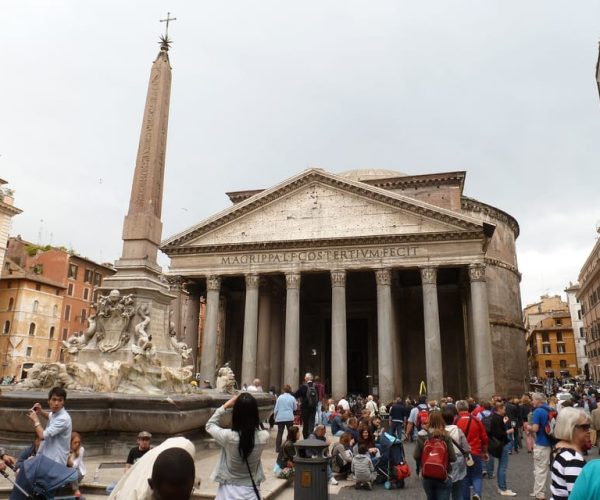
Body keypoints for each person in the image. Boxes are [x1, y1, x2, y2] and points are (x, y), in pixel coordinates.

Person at [206, 393, 270, 499]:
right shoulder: (264, 436)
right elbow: (256, 429)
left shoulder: (228, 437)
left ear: (236, 414)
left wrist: (225, 406)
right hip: (251, 493)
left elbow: (210, 425)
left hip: (227, 493)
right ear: (255, 413)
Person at [413, 410, 456, 500]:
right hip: (443, 474)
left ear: (428, 420)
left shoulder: (421, 435)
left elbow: (416, 456)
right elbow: (453, 458)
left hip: (427, 474)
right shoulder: (446, 436)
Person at [549, 407, 590, 500]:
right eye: (585, 427)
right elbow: (578, 496)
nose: (589, 430)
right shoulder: (573, 459)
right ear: (571, 428)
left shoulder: (558, 448)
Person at [27, 386, 72, 465]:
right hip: (48, 458)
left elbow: (42, 436)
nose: (56, 403)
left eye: (60, 400)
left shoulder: (63, 418)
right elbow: (49, 415)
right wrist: (40, 411)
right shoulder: (57, 413)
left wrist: (35, 420)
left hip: (55, 461)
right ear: (48, 401)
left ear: (63, 402)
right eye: (54, 400)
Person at [456, 399, 488, 500]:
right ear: (468, 408)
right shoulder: (476, 420)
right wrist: (484, 451)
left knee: (464, 478)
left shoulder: (455, 421)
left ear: (457, 409)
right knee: (477, 475)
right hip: (475, 451)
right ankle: (477, 493)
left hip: (461, 454)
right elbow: (484, 438)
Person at [527, 393, 555, 499]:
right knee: (543, 468)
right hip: (551, 443)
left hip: (541, 443)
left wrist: (527, 426)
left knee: (540, 469)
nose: (532, 401)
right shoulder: (551, 409)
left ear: (538, 400)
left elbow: (535, 428)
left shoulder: (538, 411)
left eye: (533, 399)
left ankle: (539, 493)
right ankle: (537, 491)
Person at [488, 403, 517, 496]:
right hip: (501, 444)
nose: (505, 411)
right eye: (504, 409)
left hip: (496, 443)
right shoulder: (498, 418)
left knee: (501, 466)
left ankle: (501, 487)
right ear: (499, 409)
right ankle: (503, 488)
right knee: (503, 467)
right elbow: (500, 433)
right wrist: (509, 431)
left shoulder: (493, 417)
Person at [442, 406, 471, 500]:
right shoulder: (458, 431)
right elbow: (466, 448)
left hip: (444, 461)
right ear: (454, 418)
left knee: (445, 488)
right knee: (458, 488)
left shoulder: (439, 432)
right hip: (458, 459)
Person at [273, 385, 297, 453]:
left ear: (283, 390)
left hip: (280, 417)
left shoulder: (280, 397)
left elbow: (276, 408)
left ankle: (278, 448)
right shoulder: (292, 398)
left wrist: (274, 415)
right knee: (290, 433)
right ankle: (289, 447)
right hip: (289, 417)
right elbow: (295, 408)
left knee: (280, 432)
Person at [295, 373, 318, 439]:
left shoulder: (303, 386)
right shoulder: (315, 386)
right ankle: (311, 437)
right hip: (313, 408)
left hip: (305, 408)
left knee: (305, 424)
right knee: (311, 424)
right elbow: (318, 397)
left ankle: (306, 439)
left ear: (306, 378)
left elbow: (296, 394)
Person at [67, 432, 86, 497]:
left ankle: (76, 490)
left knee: (72, 471)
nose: (77, 444)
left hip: (78, 471)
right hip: (66, 471)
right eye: (75, 442)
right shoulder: (66, 449)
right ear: (70, 442)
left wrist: (70, 457)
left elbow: (75, 465)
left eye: (78, 442)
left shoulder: (81, 449)